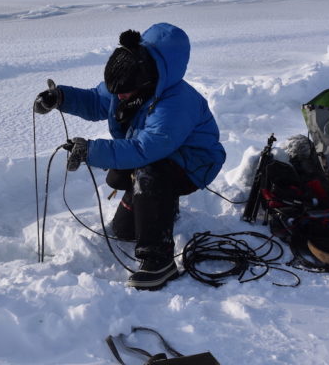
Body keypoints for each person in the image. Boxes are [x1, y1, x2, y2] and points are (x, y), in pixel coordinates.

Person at [33, 23, 226, 290]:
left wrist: (91, 150)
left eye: (122, 93)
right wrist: (61, 98)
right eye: (116, 92)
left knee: (149, 174)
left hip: (193, 163)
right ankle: (163, 207)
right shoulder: (128, 78)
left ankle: (159, 262)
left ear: (146, 84)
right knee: (125, 228)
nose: (118, 97)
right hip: (158, 154)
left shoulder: (176, 103)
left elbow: (143, 150)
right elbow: (96, 101)